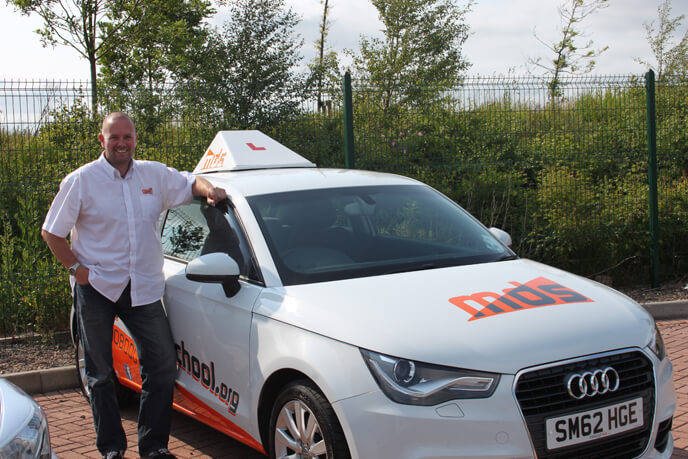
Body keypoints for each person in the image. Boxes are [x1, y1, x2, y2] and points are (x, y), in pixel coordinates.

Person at [41, 112, 227, 459]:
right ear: (102, 141)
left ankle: (153, 446)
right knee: (99, 373)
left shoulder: (154, 175)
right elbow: (51, 231)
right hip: (96, 286)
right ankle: (111, 448)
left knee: (160, 366)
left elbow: (190, 183)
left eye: (127, 137)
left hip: (142, 288)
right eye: (114, 137)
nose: (121, 143)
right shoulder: (81, 181)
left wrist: (211, 191)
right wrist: (77, 268)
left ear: (136, 139)